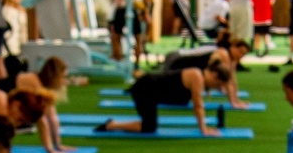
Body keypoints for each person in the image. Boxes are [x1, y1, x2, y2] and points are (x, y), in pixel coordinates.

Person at [98, 55, 234, 134]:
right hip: (144, 89)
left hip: (150, 91)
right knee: (149, 128)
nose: (216, 88)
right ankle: (112, 125)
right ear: (214, 75)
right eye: (218, 85)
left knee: (181, 101)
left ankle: (113, 124)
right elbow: (198, 105)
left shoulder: (199, 76)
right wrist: (204, 129)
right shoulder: (197, 76)